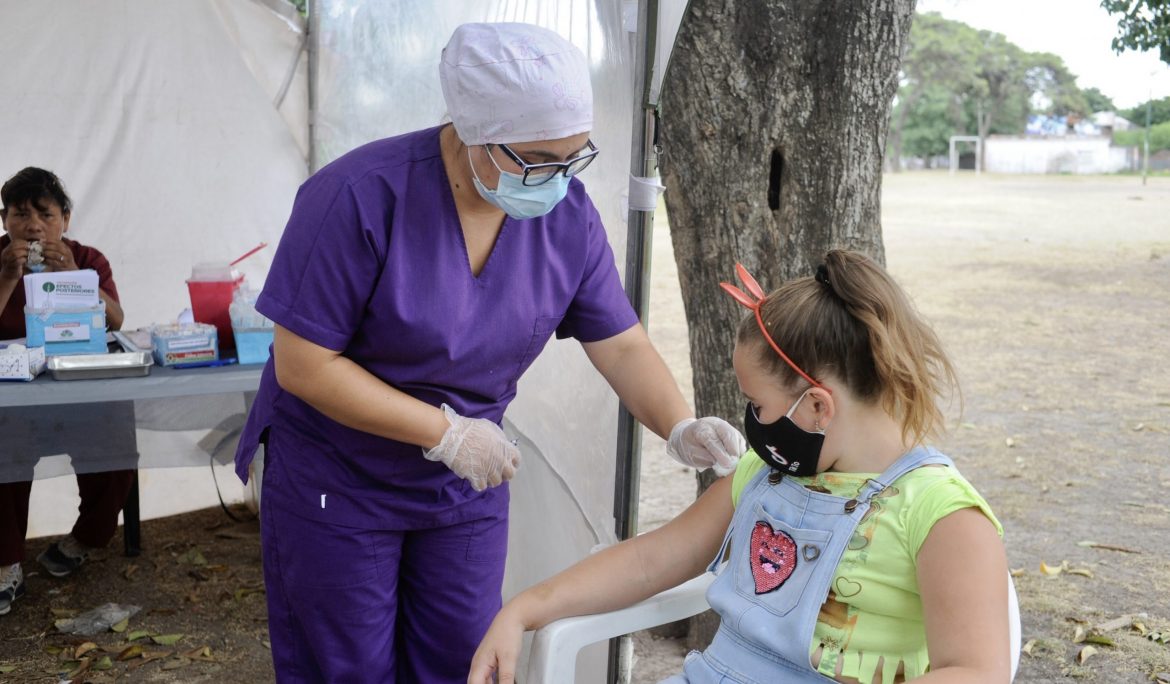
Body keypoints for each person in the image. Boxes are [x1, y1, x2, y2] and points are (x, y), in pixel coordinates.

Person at [232, 22, 745, 683]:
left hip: (463, 485)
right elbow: (304, 365)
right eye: (535, 160)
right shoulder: (358, 196)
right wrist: (442, 432)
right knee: (346, 666)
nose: (554, 179)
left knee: (464, 660)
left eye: (572, 157)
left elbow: (619, 342)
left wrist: (677, 422)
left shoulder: (567, 215)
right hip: (340, 474)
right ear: (471, 131)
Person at [471, 250, 1011, 684]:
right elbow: (650, 562)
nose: (752, 421)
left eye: (759, 406)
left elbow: (976, 670)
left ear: (818, 406)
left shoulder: (943, 515)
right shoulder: (766, 472)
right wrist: (524, 609)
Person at [0, 167, 133, 616]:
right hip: (15, 400)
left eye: (45, 214)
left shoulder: (88, 259)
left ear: (66, 219)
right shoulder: (0, 260)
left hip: (78, 391)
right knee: (2, 454)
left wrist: (76, 277)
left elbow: (115, 320)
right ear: (5, 221)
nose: (34, 225)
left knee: (117, 439)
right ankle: (6, 565)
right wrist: (7, 278)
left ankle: (85, 539)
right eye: (20, 214)